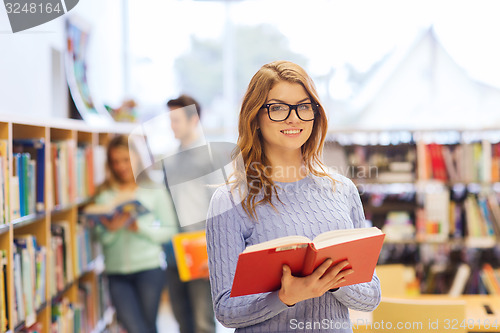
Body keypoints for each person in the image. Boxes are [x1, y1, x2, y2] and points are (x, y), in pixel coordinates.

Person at [206, 61, 381, 332]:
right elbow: (226, 310)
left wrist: (330, 281)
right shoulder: (229, 200)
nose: (293, 118)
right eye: (277, 108)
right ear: (254, 117)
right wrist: (285, 297)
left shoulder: (342, 190)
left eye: (303, 106)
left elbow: (371, 296)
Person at [93, 135, 178, 333]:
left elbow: (169, 230)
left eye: (126, 160)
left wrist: (140, 228)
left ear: (138, 159)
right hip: (116, 273)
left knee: (147, 327)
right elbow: (99, 236)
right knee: (134, 328)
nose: (121, 166)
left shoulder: (154, 190)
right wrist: (112, 231)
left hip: (149, 270)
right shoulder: (105, 194)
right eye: (115, 161)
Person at [163, 94, 216, 333]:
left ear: (193, 119)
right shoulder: (170, 161)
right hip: (173, 250)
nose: (171, 126)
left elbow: (219, 209)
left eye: (176, 120)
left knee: (202, 321)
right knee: (181, 319)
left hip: (200, 251)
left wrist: (212, 253)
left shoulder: (211, 156)